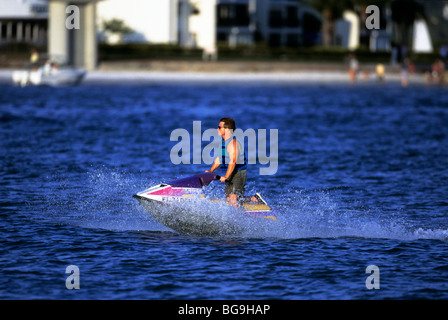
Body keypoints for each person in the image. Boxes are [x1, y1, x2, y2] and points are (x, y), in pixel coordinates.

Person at [206, 117, 258, 207]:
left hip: (238, 173)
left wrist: (226, 176)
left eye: (219, 127)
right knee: (228, 199)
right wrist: (211, 171)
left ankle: (239, 219)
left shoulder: (233, 144)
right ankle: (254, 199)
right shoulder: (224, 142)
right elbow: (219, 159)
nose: (217, 129)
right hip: (231, 172)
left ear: (227, 129)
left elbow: (233, 161)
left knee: (233, 199)